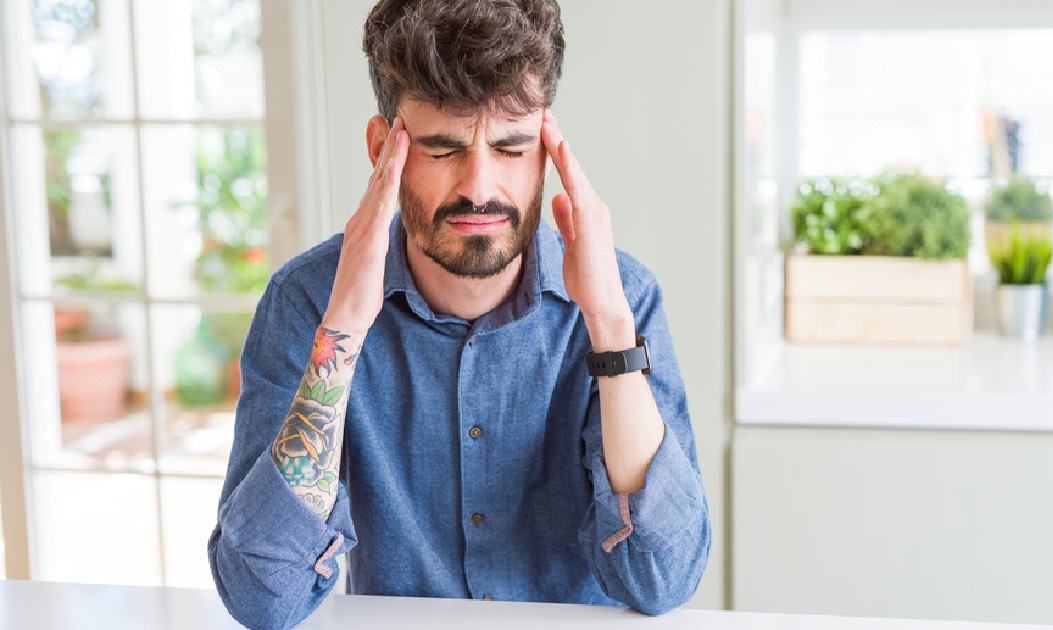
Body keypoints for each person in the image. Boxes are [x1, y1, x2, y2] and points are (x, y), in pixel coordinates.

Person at [207, 1, 710, 628]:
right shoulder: (307, 300)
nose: (479, 186)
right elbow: (264, 599)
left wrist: (609, 327)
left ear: (547, 153)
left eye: (511, 147)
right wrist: (341, 333)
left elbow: (661, 577)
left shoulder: (623, 296)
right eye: (443, 149)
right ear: (380, 149)